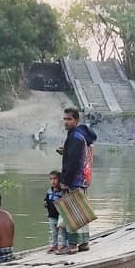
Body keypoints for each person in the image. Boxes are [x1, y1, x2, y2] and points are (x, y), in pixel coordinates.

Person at [57, 107, 94, 254]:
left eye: (69, 119)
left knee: (71, 213)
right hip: (82, 179)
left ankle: (72, 245)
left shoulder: (74, 137)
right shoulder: (80, 135)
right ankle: (84, 243)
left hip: (74, 180)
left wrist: (65, 181)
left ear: (76, 120)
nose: (66, 122)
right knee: (81, 212)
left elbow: (73, 163)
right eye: (65, 119)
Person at [44, 170, 63, 253]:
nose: (53, 181)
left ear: (59, 180)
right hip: (51, 215)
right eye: (51, 179)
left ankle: (62, 245)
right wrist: (45, 203)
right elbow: (46, 200)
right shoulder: (49, 191)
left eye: (55, 178)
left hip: (60, 215)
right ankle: (54, 245)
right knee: (53, 231)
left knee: (61, 231)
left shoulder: (62, 192)